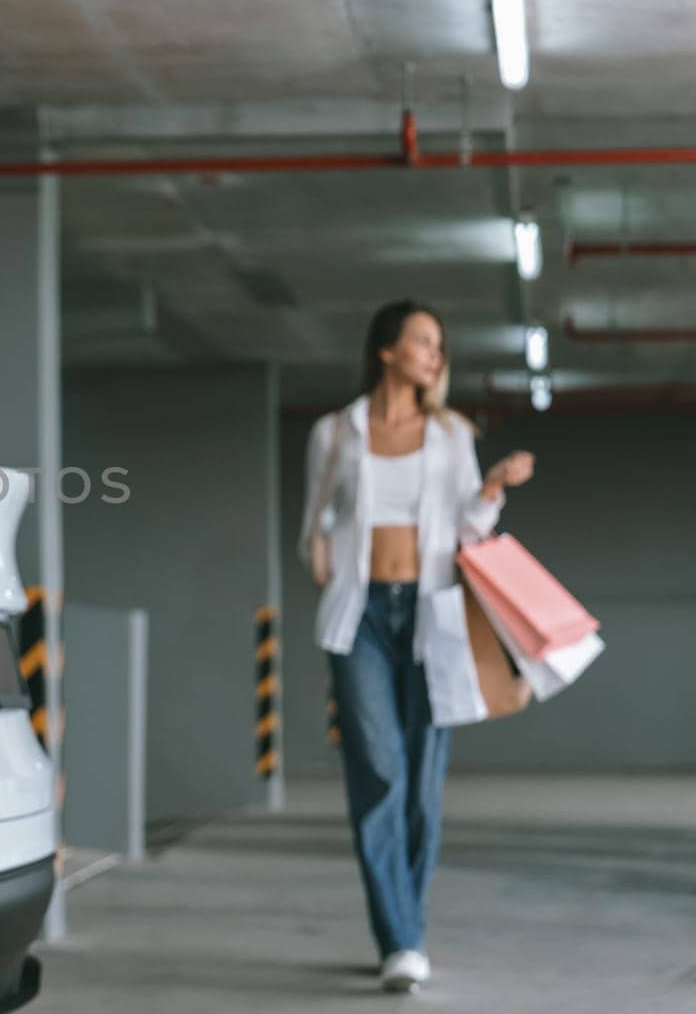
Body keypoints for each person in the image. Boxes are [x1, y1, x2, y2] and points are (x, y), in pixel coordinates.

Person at [299, 299, 534, 994]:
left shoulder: (452, 433)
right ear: (387, 350)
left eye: (439, 344)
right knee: (378, 769)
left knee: (423, 786)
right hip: (359, 613)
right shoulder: (334, 432)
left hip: (432, 612)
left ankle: (408, 923)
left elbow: (467, 527)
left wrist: (492, 487)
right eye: (423, 341)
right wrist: (328, 559)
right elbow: (318, 516)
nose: (435, 353)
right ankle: (399, 939)